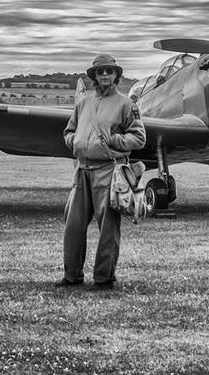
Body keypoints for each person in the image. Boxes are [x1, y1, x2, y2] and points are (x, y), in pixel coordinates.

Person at [56, 54, 146, 289]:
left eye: (109, 71)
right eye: (100, 71)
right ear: (94, 76)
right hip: (82, 170)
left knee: (107, 227)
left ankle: (104, 277)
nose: (105, 75)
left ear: (117, 75)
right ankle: (72, 276)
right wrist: (74, 141)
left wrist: (115, 139)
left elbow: (139, 138)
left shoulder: (127, 104)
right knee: (72, 225)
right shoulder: (83, 102)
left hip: (108, 170)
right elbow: (69, 130)